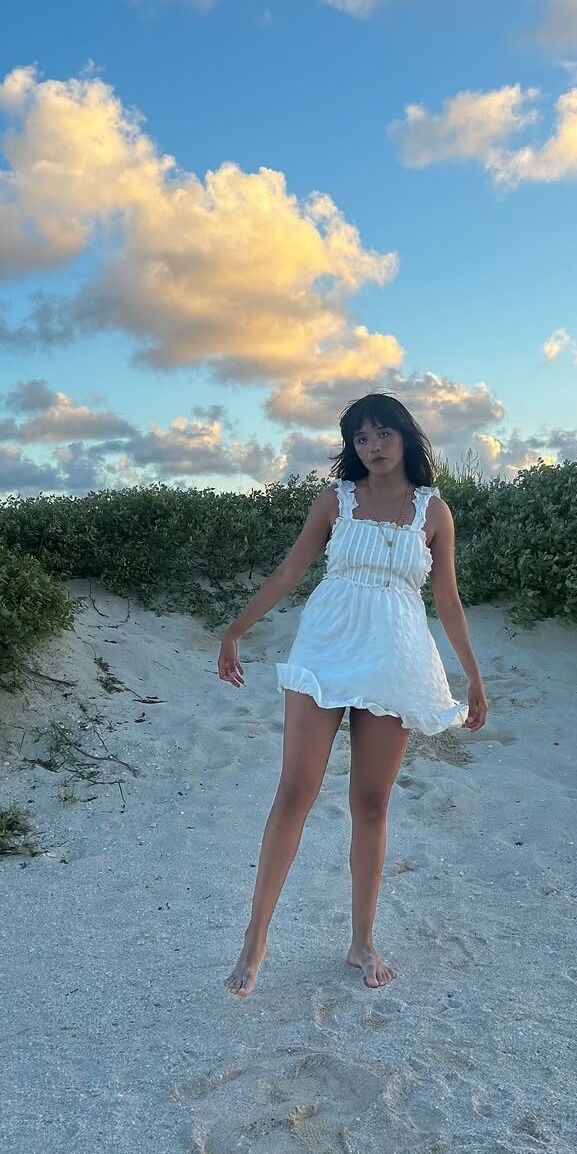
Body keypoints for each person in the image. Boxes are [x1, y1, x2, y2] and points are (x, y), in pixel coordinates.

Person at [218, 392, 488, 996]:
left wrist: (472, 676)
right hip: (327, 646)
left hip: (393, 657)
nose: (373, 446)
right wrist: (235, 629)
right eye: (361, 437)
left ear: (405, 436)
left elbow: (447, 600)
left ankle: (362, 941)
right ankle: (255, 937)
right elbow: (289, 572)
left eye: (383, 433)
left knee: (370, 803)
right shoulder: (335, 501)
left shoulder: (433, 511)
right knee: (295, 789)